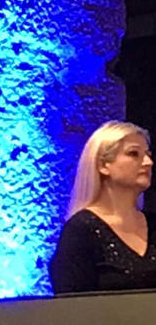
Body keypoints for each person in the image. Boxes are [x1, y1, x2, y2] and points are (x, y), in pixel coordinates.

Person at [50, 120, 156, 293]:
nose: (148, 162)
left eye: (148, 154)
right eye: (134, 153)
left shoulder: (153, 225)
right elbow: (71, 303)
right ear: (103, 165)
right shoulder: (81, 230)